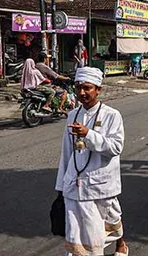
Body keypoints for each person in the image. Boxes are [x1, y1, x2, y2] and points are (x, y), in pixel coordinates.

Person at [55, 67, 128, 256]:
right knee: (77, 233)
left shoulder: (112, 115)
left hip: (101, 184)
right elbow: (67, 152)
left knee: (108, 222)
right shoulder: (73, 115)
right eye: (78, 87)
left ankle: (121, 244)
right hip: (74, 184)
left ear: (98, 90)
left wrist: (89, 135)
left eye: (87, 88)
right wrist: (61, 186)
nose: (81, 92)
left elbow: (115, 148)